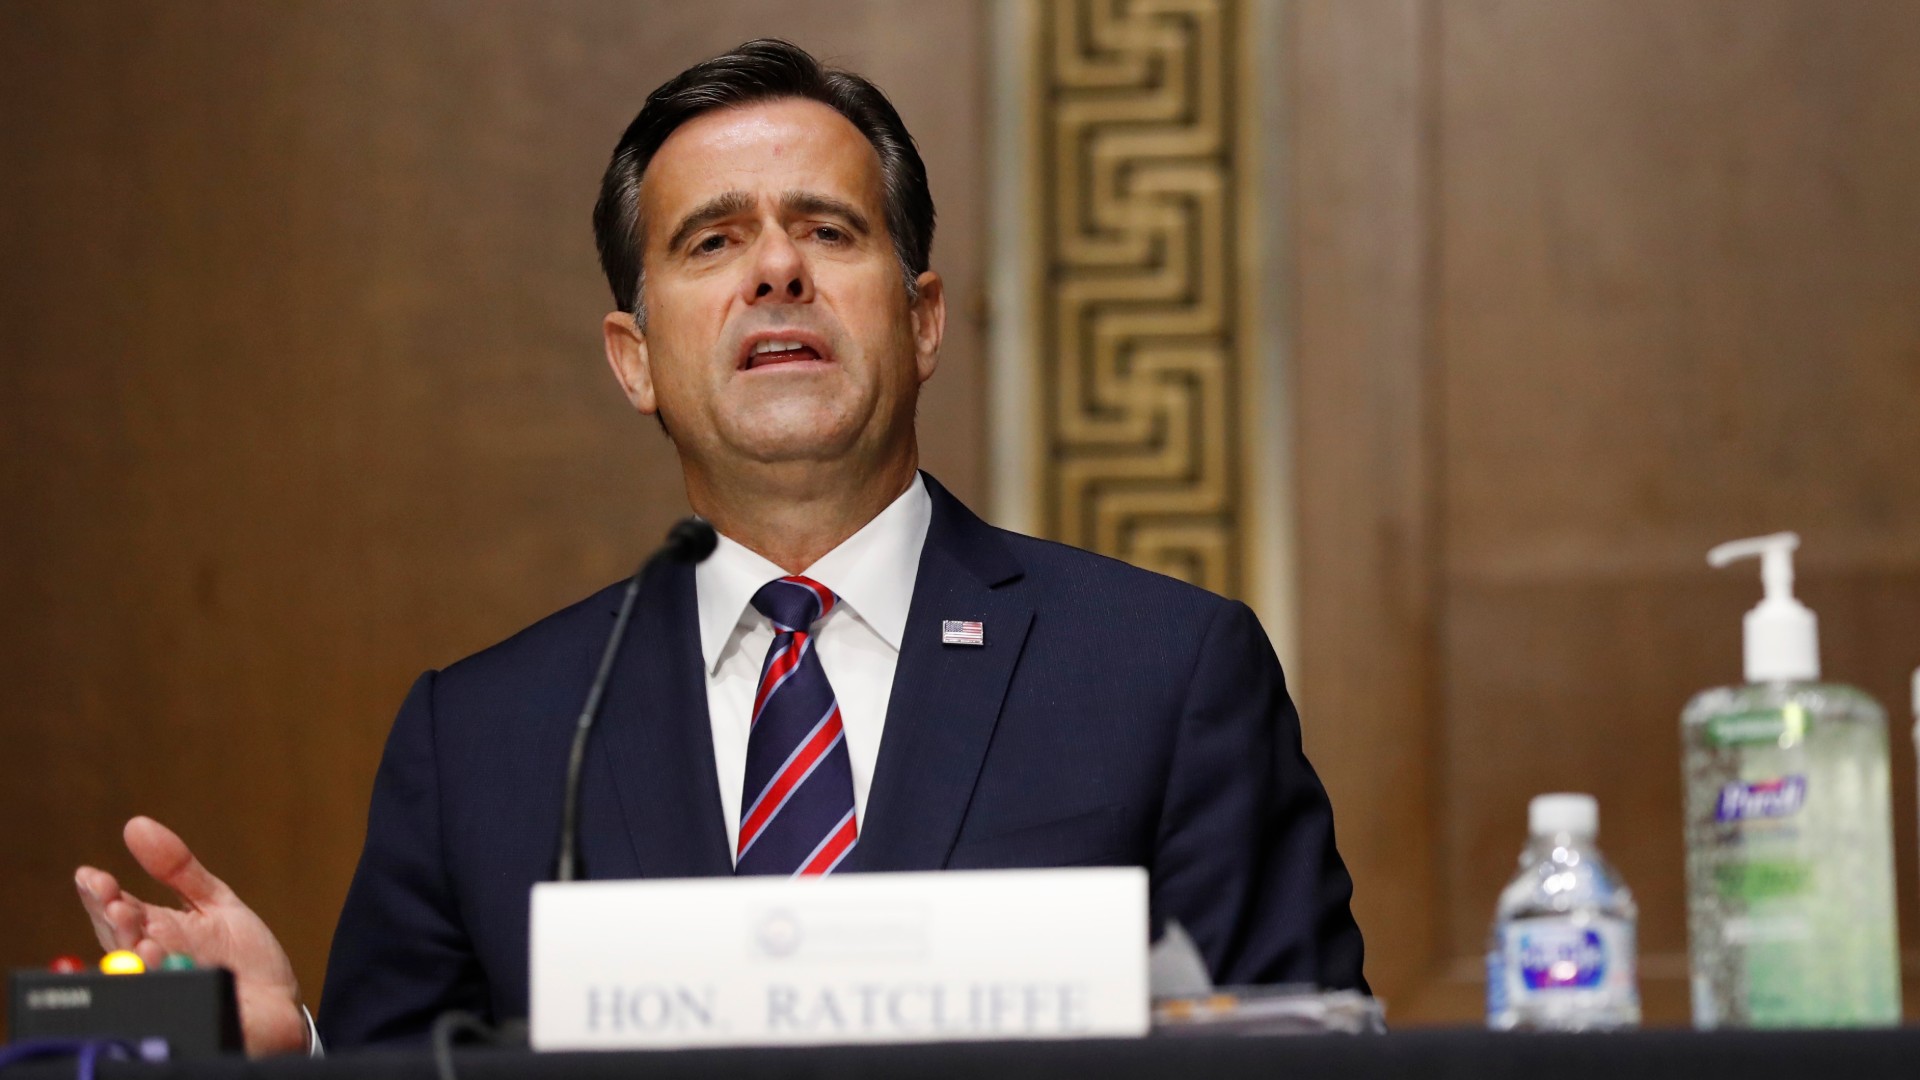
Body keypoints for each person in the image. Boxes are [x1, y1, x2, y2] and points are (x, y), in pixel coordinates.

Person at [73, 40, 1365, 1055]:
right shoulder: (488, 740)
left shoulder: (1164, 671)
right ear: (634, 358)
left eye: (829, 229)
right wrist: (292, 1052)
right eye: (712, 241)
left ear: (921, 322)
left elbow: (1308, 1052)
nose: (776, 272)